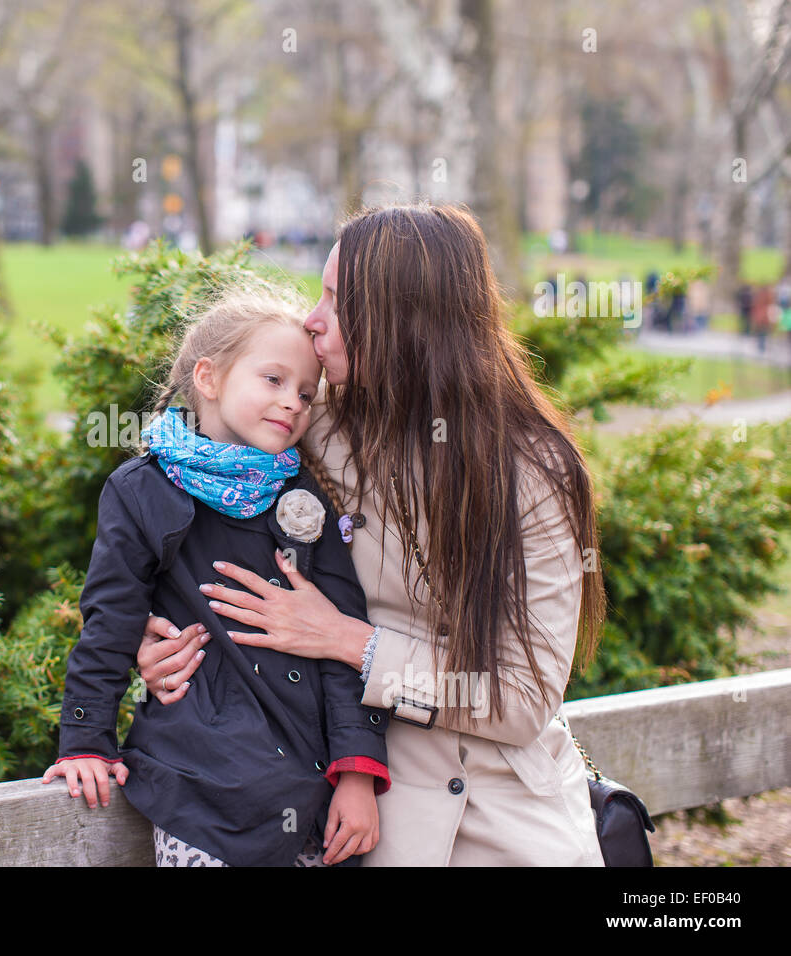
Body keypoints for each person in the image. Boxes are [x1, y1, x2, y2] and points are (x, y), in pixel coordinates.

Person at [136, 202, 608, 866]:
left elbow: (521, 699)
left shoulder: (533, 472)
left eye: (336, 299)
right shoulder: (311, 421)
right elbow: (187, 514)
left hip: (505, 816)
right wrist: (163, 641)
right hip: (362, 797)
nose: (312, 318)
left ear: (405, 323)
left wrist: (347, 641)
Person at [42, 283, 391, 867]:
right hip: (199, 792)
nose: (294, 403)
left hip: (313, 799)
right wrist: (85, 741)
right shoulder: (141, 491)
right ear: (208, 378)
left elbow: (343, 640)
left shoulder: (303, 499)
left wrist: (357, 773)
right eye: (274, 380)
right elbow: (111, 622)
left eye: (307, 393)